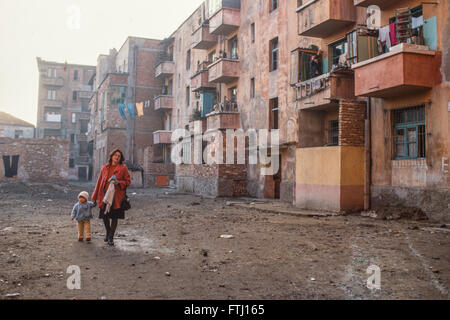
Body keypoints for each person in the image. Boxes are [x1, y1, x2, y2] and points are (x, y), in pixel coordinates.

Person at [92, 149, 131, 246]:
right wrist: (94, 196)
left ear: (121, 158)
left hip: (116, 197)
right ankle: (108, 232)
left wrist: (118, 182)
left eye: (119, 156)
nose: (117, 157)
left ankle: (111, 237)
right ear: (111, 156)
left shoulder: (123, 168)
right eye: (115, 155)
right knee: (105, 216)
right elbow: (99, 182)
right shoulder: (104, 167)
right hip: (104, 196)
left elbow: (128, 182)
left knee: (114, 217)